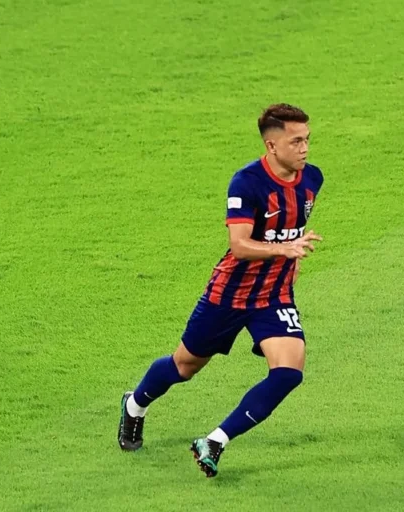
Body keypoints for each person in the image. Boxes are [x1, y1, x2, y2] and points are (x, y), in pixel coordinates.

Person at [117, 103, 324, 478]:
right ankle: (135, 404)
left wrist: (290, 260)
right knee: (184, 366)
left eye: (307, 139)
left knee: (289, 372)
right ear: (271, 145)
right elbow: (239, 245)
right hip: (229, 294)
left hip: (273, 295)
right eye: (296, 141)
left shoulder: (312, 179)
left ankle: (215, 441)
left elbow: (290, 229)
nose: (305, 148)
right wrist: (284, 249)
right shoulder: (246, 182)